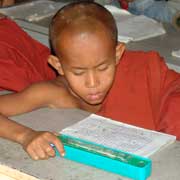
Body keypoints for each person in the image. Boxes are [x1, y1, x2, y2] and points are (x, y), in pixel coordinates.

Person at [0, 2, 180, 161]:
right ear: (58, 66)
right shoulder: (54, 93)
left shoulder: (143, 71)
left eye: (103, 68)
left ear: (117, 55)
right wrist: (25, 136)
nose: (93, 83)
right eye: (78, 72)